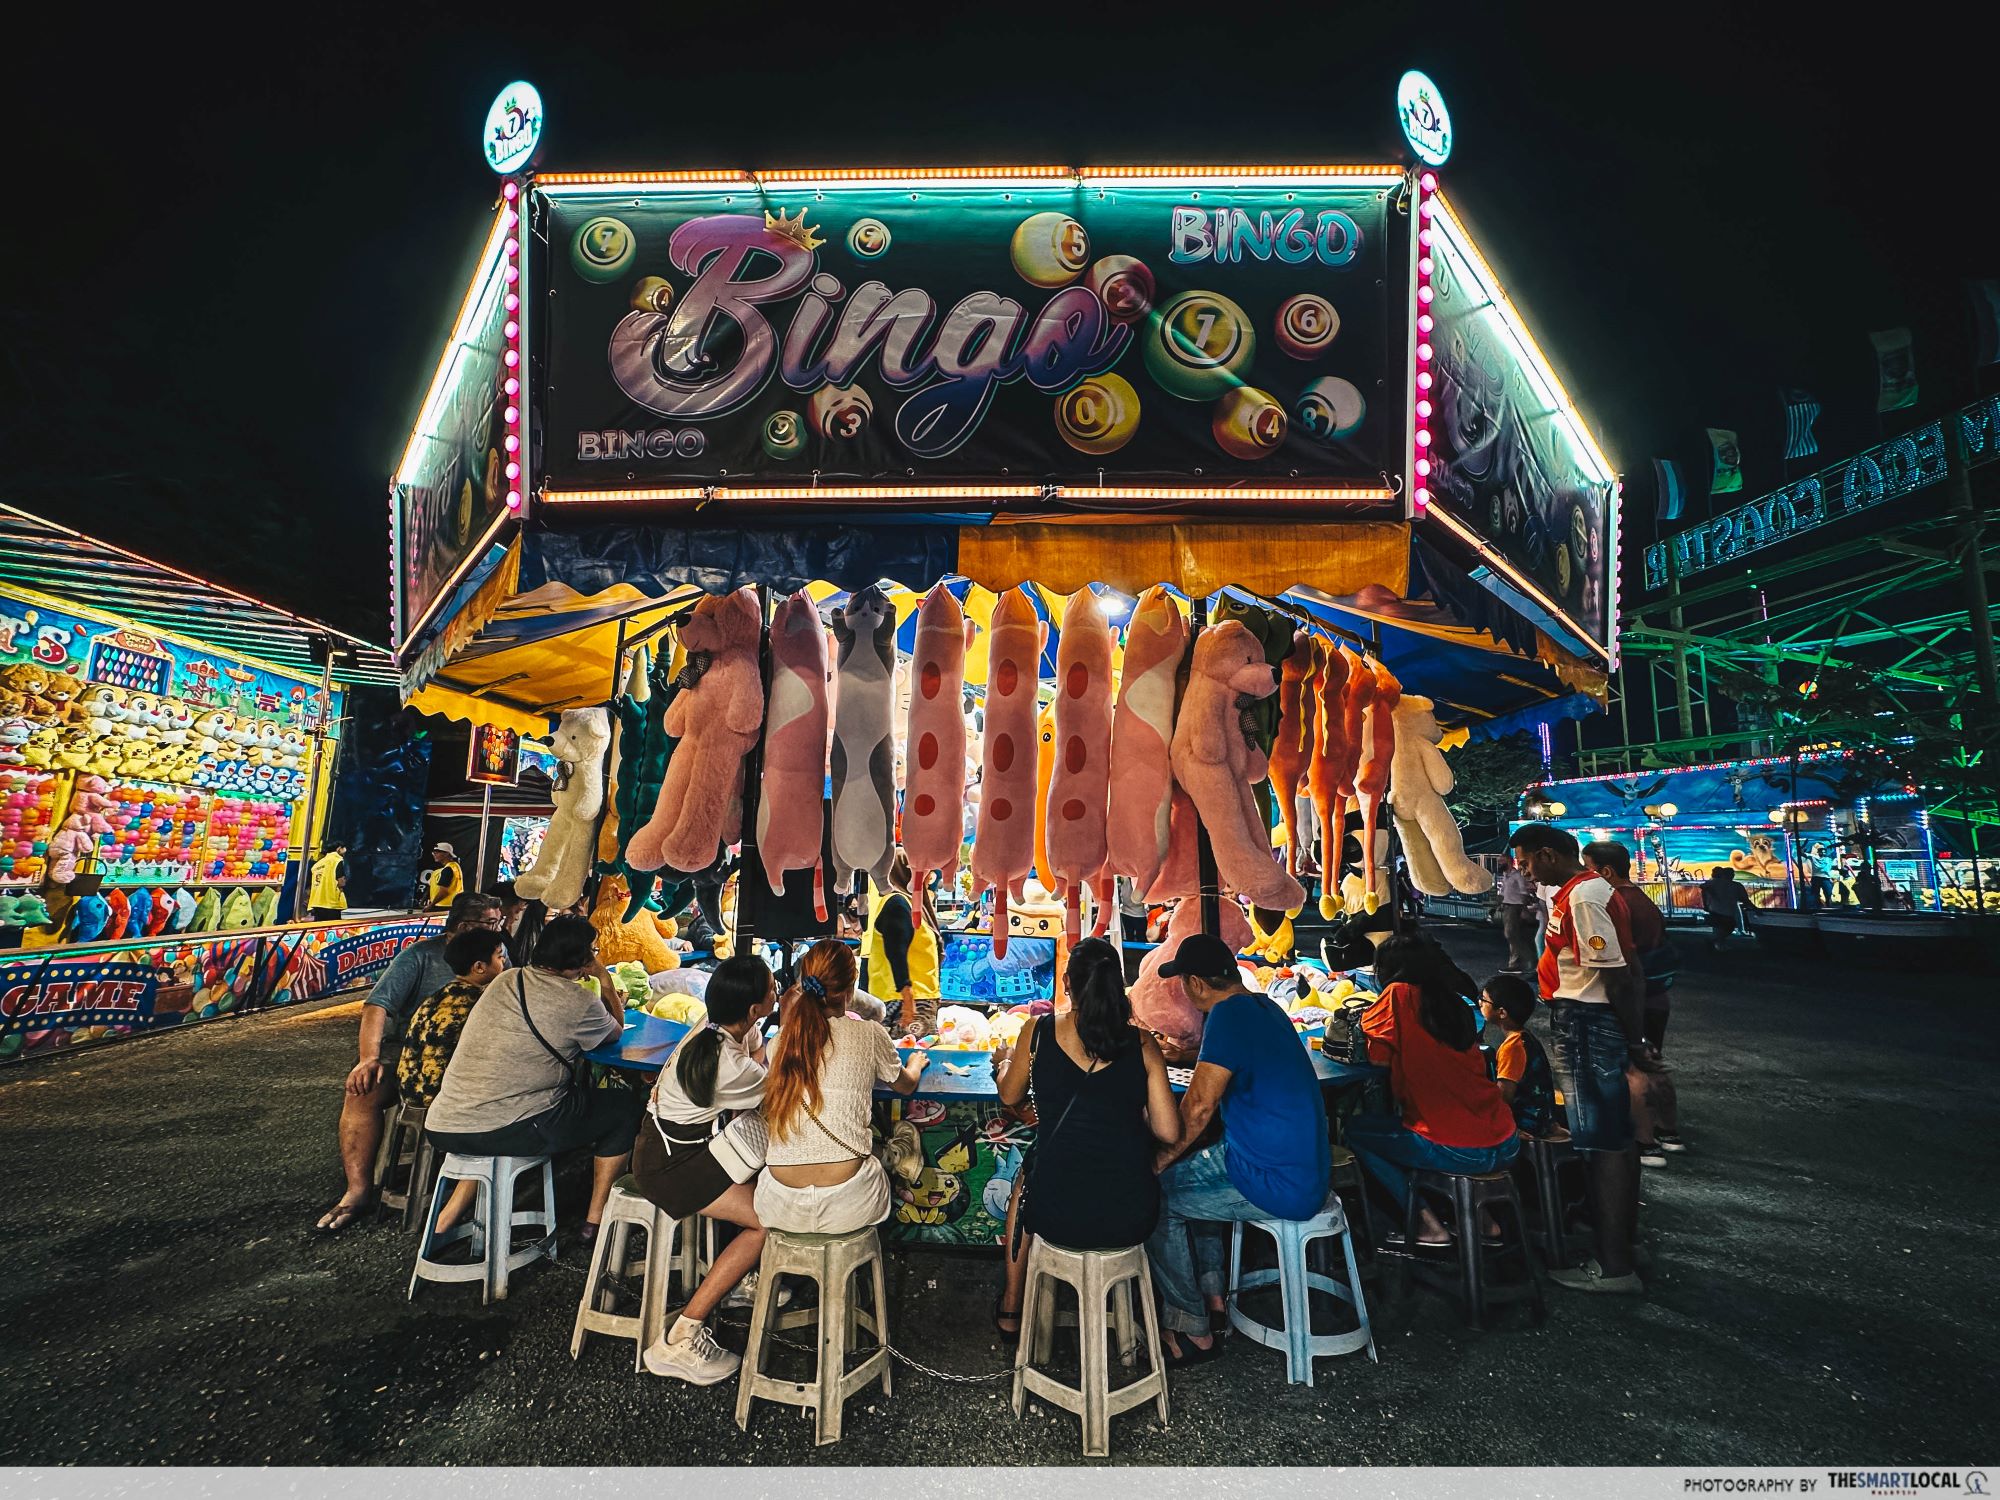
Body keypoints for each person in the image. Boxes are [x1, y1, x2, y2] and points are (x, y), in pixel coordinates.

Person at [1144, 932, 1331, 1364]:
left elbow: (1198, 1108)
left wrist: (1158, 1160)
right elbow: (1234, 1062)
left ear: (1195, 983)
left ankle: (1191, 1329)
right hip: (1305, 1169)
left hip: (1276, 1180)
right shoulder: (1264, 1007)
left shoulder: (1227, 1017)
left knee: (1156, 1197)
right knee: (1194, 1185)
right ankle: (1213, 1300)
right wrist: (1187, 1055)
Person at [992, 937, 1178, 1337]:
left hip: (1056, 1215)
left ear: (1066, 983)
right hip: (1130, 1216)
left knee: (1025, 1181)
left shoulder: (1037, 1031)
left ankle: (1012, 1303)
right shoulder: (1143, 1043)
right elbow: (1168, 1130)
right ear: (1118, 986)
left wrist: (1003, 1063)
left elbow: (1009, 1095)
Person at [424, 914, 641, 1239]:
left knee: (508, 1101)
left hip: (443, 1125)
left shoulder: (506, 979)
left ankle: (445, 1221)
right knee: (624, 1108)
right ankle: (596, 1221)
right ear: (583, 958)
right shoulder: (579, 1000)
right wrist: (604, 978)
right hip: (502, 1128)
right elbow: (616, 1031)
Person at [1508, 823, 1648, 1294]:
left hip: (1588, 1021)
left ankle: (1613, 1267)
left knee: (1601, 1141)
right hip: (1582, 1017)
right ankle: (1618, 1245)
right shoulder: (1575, 892)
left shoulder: (1586, 896)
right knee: (1609, 1137)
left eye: (1526, 863)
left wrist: (1633, 1042)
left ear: (1548, 855)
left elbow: (1619, 976)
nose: (1525, 873)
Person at [313, 892, 503, 1234]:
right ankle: (357, 1191)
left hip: (476, 1055)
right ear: (464, 927)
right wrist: (368, 1059)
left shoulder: (497, 952)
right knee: (362, 1091)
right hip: (408, 1050)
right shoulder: (419, 957)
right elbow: (377, 1006)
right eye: (491, 923)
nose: (498, 930)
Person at [632, 955, 779, 1384]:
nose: (777, 991)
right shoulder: (730, 1068)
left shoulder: (713, 1029)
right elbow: (779, 1088)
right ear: (754, 1008)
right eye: (772, 989)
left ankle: (736, 1279)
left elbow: (755, 1045)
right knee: (765, 1220)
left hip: (670, 1147)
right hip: (672, 1168)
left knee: (758, 1178)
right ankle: (681, 1335)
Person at [1344, 936, 1520, 1245]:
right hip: (1505, 1139)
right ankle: (1482, 1220)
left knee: (1356, 1132)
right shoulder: (1453, 1001)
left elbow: (1374, 1057)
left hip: (1454, 1147)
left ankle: (1426, 1223)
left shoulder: (1398, 995)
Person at [757, 940, 931, 1238]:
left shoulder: (782, 1040)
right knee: (884, 1155)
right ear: (851, 990)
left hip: (779, 1202)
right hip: (848, 1202)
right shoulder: (868, 1033)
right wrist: (915, 1063)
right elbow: (905, 1085)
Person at [1584, 841, 1685, 1164]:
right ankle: (1669, 1132)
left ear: (1605, 872)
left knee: (1630, 1069)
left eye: (1587, 868)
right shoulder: (1643, 900)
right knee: (1653, 1060)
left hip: (1633, 997)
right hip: (1658, 997)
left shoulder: (1616, 904)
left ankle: (1645, 1142)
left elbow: (1622, 964)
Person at [396, 927, 511, 1109]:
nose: (503, 960)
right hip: (439, 1097)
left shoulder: (441, 994)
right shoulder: (477, 1002)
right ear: (479, 967)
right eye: (499, 956)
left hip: (409, 1089)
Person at [864, 849, 942, 1034]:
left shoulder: (909, 903)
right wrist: (907, 996)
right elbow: (895, 950)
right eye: (923, 871)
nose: (928, 877)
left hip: (914, 998)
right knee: (909, 1057)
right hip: (903, 1002)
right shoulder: (898, 904)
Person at [1478, 972, 1557, 1139]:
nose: (1479, 1003)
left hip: (1528, 1122)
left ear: (1501, 1013)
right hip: (1543, 1117)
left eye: (1484, 1000)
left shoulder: (1512, 1048)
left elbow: (1504, 1096)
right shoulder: (1525, 1038)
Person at [1497, 857, 1538, 974]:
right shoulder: (1507, 875)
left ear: (1509, 861)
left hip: (1515, 907)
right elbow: (1504, 891)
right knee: (1514, 935)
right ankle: (1514, 964)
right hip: (1507, 906)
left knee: (1511, 934)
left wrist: (1523, 909)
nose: (1499, 864)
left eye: (1501, 861)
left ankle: (1530, 959)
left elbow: (1524, 892)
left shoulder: (1517, 876)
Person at [1699, 865, 1753, 949]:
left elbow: (1703, 886)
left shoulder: (1717, 883)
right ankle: (1717, 943)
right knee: (1726, 928)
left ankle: (1717, 943)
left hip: (1718, 910)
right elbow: (1744, 899)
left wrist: (1710, 897)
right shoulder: (1733, 885)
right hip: (1723, 911)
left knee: (1722, 928)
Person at [308, 841, 349, 921]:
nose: (345, 850)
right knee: (332, 929)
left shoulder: (318, 864)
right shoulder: (337, 860)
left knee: (319, 929)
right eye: (344, 848)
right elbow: (341, 881)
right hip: (331, 902)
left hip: (317, 901)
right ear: (339, 849)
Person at [420, 844, 465, 910]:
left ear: (446, 853)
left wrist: (431, 905)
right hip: (451, 906)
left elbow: (443, 892)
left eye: (437, 852)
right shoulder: (452, 867)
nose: (434, 854)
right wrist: (423, 901)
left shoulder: (448, 869)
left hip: (444, 907)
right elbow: (430, 887)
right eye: (433, 852)